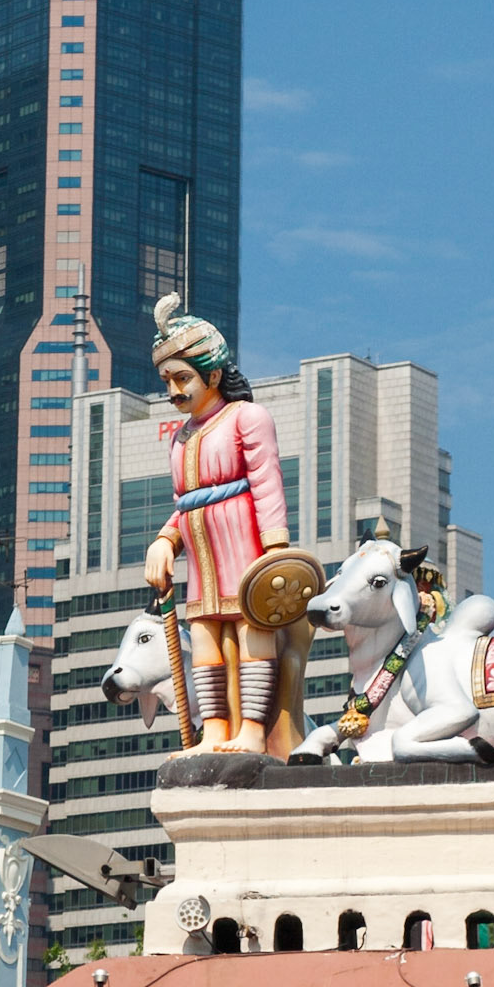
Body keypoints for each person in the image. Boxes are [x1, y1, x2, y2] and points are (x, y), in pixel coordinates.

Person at [143, 294, 291, 753]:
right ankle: (214, 730)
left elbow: (266, 483)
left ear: (213, 374)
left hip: (245, 552)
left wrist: (276, 551)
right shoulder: (181, 438)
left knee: (252, 636)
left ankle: (250, 729)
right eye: (167, 379)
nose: (174, 390)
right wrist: (166, 540)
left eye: (182, 377)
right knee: (205, 640)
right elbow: (184, 503)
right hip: (202, 562)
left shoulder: (247, 417)